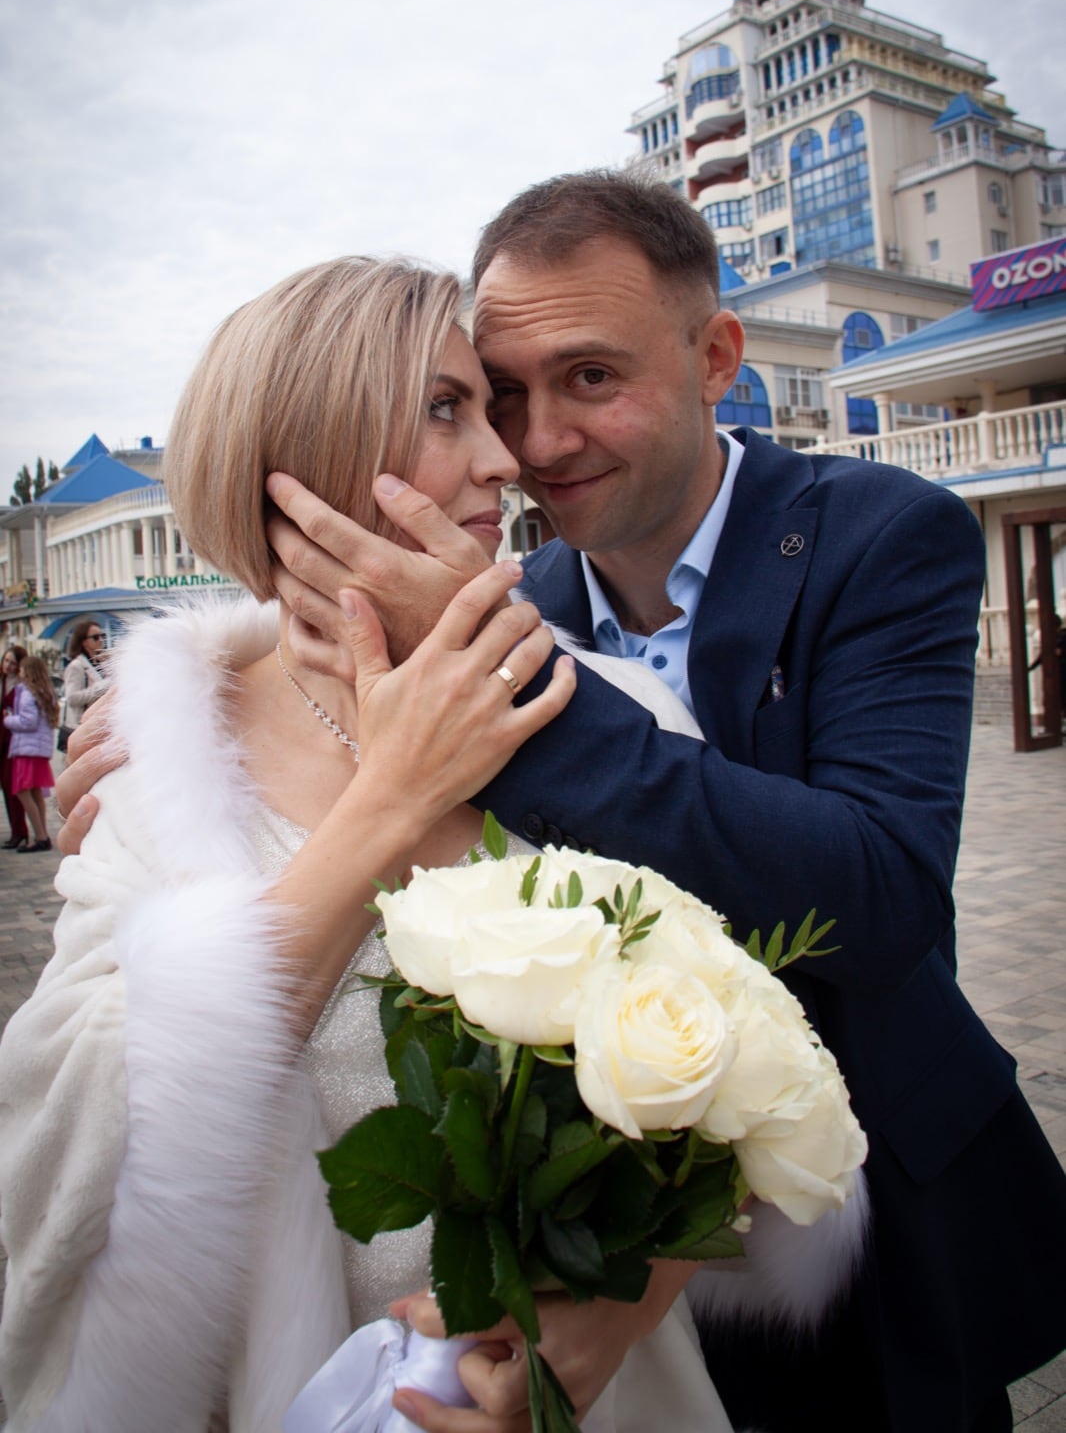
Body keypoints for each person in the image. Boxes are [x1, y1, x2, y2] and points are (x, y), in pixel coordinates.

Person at [234, 172, 1066, 1433]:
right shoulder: (519, 597)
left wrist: (522, 689)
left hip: (874, 1198)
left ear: (715, 357)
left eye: (590, 377)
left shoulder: (880, 531)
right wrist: (184, 692)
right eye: (502, 392)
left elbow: (884, 894)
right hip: (622, 1233)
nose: (536, 443)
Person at [1, 256, 859, 1433]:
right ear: (306, 445)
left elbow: (741, 1066)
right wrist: (398, 795)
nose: (507, 458)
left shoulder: (614, 715)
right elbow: (74, 1147)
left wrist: (618, 1310)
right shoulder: (161, 764)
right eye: (447, 408)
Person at [2, 653, 58, 853]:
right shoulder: (45, 692)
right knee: (36, 793)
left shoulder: (26, 692)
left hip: (26, 749)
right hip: (39, 750)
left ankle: (40, 836)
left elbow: (28, 721)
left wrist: (8, 719)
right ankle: (42, 835)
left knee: (22, 792)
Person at [1, 644, 30, 849]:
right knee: (6, 788)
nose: (8, 666)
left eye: (12, 663)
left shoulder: (22, 685)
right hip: (2, 738)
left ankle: (20, 832)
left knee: (15, 788)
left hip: (15, 741)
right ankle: (16, 831)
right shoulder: (2, 681)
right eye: (6, 661)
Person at [60, 616, 110, 728]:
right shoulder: (77, 666)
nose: (101, 640)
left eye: (103, 636)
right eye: (95, 637)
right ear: (84, 642)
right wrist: (99, 689)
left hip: (100, 722)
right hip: (83, 724)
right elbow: (72, 698)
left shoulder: (101, 663)